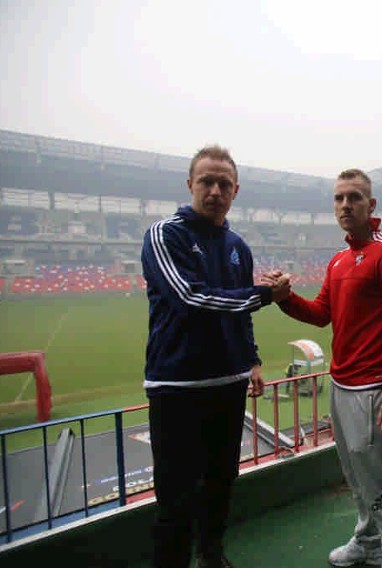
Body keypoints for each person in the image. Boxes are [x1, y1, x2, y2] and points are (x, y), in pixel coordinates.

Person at [140, 145, 290, 568]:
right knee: (176, 496)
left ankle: (211, 555)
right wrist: (264, 294)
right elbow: (191, 298)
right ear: (190, 184)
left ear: (235, 191)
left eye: (225, 183)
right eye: (207, 181)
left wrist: (253, 360)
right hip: (177, 387)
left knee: (223, 481)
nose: (215, 190)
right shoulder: (165, 234)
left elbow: (239, 314)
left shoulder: (238, 246)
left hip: (228, 385)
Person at [264, 168, 382, 568]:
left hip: (373, 393)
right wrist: (285, 298)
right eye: (339, 198)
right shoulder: (339, 261)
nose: (345, 204)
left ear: (371, 205)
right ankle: (368, 543)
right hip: (341, 388)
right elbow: (321, 315)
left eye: (354, 197)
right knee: (358, 480)